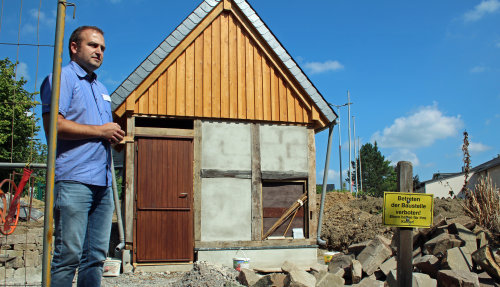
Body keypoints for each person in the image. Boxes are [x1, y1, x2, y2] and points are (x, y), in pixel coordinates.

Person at [40, 26, 125, 287]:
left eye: (102, 48)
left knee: (95, 258)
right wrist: (101, 131)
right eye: (93, 45)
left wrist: (113, 139)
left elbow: (98, 133)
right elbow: (54, 126)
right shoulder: (60, 79)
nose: (99, 51)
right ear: (74, 47)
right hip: (74, 180)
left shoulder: (101, 89)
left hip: (103, 181)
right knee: (68, 256)